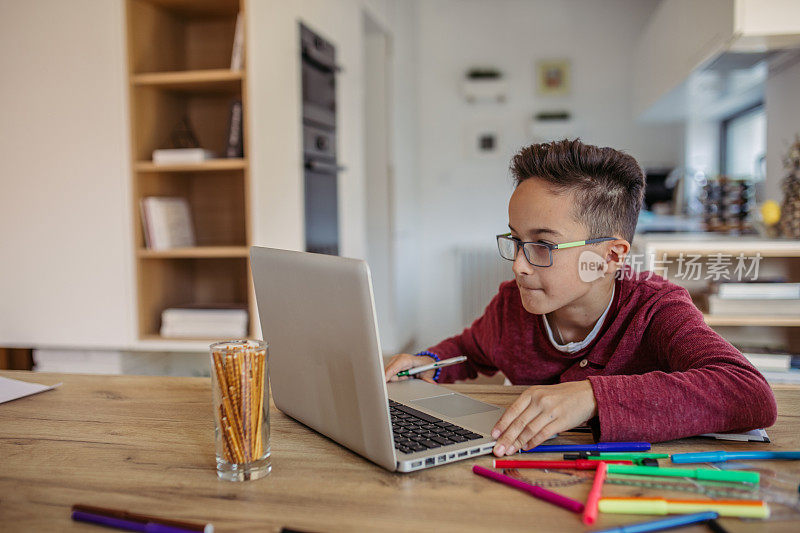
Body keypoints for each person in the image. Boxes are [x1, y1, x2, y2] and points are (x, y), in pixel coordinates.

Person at [384, 139, 777, 458]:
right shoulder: (511, 308)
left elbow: (749, 392)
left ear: (610, 256)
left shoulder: (656, 309)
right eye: (516, 240)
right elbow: (471, 350)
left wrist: (592, 396)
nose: (519, 265)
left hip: (632, 485)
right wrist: (431, 363)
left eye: (542, 244)